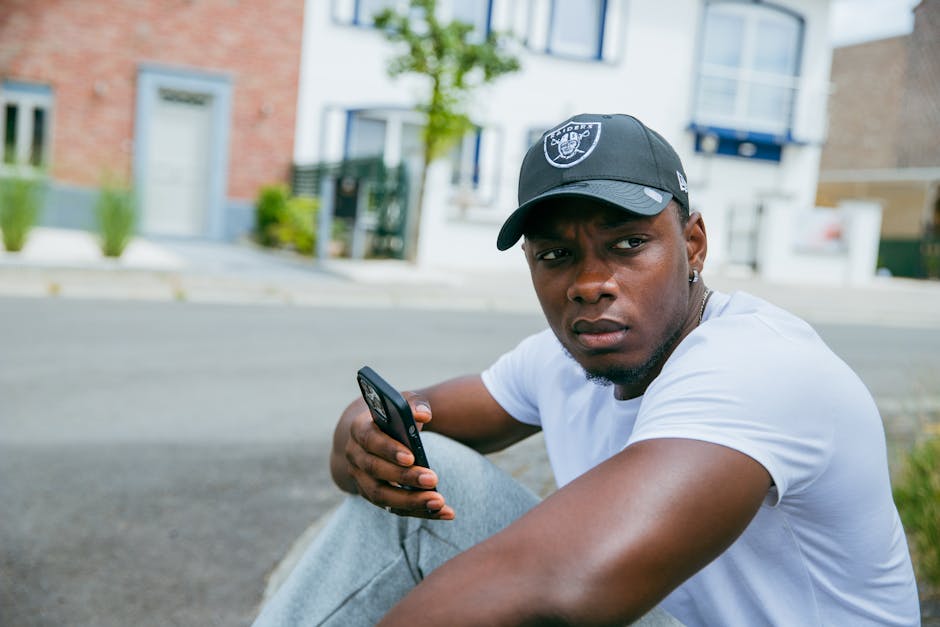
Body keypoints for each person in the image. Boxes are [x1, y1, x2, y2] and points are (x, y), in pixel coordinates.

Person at [253, 113, 921, 626]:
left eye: (627, 244)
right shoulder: (566, 356)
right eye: (555, 255)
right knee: (428, 477)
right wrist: (360, 437)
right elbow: (405, 414)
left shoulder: (758, 363)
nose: (591, 282)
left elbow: (561, 582)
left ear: (692, 244)